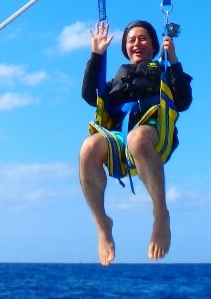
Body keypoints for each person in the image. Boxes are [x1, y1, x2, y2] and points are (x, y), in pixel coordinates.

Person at [79, 18, 193, 265]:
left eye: (143, 39)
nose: (137, 43)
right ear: (125, 48)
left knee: (137, 137)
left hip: (154, 132)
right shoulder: (117, 80)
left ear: (153, 46)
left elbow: (183, 101)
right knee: (88, 147)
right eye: (131, 40)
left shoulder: (163, 71)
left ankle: (161, 213)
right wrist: (96, 55)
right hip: (119, 140)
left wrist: (173, 60)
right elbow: (90, 96)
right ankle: (102, 225)